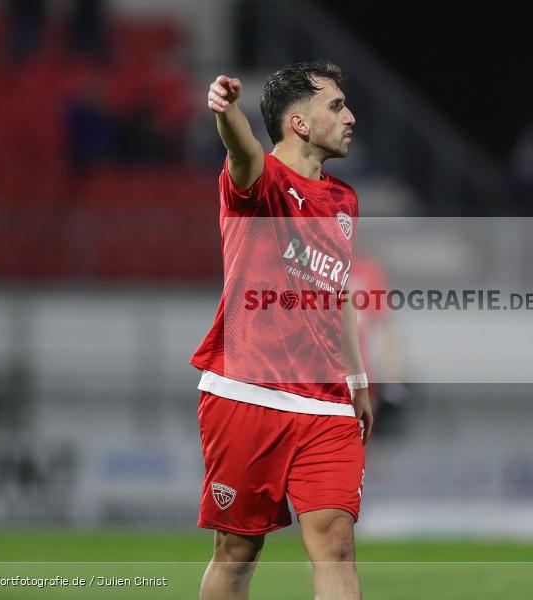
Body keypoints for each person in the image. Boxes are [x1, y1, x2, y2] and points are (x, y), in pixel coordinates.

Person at [191, 62, 373, 600]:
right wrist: (228, 112)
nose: (350, 117)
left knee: (336, 544)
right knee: (237, 551)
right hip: (247, 393)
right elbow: (242, 150)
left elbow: (337, 292)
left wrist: (358, 379)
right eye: (336, 106)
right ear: (299, 123)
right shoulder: (261, 181)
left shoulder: (345, 201)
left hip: (326, 402)